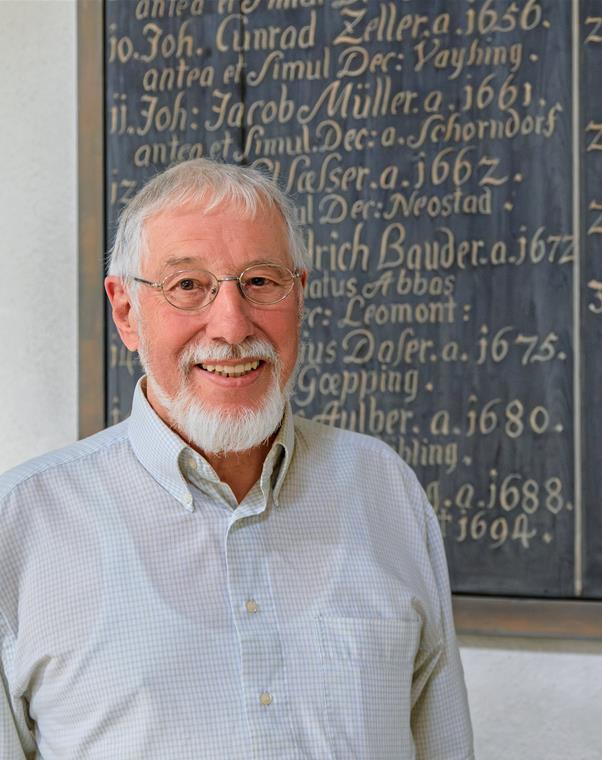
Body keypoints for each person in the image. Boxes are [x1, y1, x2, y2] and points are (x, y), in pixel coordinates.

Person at [0, 159, 474, 759]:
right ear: (126, 312)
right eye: (188, 285)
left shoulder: (385, 490)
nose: (230, 325)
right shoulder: (20, 528)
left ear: (299, 294)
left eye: (260, 281)